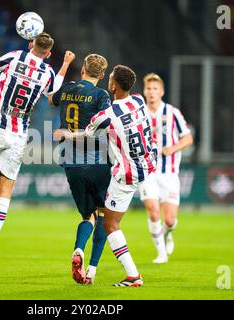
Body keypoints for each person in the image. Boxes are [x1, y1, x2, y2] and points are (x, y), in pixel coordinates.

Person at [0, 33, 75, 264]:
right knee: (5, 190)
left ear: (30, 45)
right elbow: (54, 92)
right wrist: (66, 64)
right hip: (19, 134)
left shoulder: (15, 57)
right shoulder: (48, 73)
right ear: (49, 54)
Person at [54, 65, 157, 287]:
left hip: (125, 174)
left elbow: (86, 135)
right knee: (105, 216)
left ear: (113, 85)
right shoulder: (139, 101)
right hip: (147, 164)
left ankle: (133, 276)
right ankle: (92, 270)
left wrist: (65, 133)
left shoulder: (107, 115)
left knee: (109, 224)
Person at [49, 54, 110, 285]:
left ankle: (78, 250)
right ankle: (92, 270)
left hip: (71, 164)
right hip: (97, 161)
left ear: (83, 69)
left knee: (87, 216)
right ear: (102, 75)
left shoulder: (66, 89)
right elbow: (106, 123)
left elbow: (49, 99)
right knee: (104, 214)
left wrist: (63, 65)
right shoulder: (101, 95)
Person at [138, 73, 193, 264]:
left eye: (155, 89)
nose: (152, 92)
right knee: (153, 210)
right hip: (147, 172)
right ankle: (161, 253)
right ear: (144, 92)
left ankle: (168, 233)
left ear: (162, 92)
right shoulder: (139, 113)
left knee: (169, 220)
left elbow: (188, 138)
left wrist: (172, 149)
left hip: (169, 173)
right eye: (149, 89)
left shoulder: (172, 113)